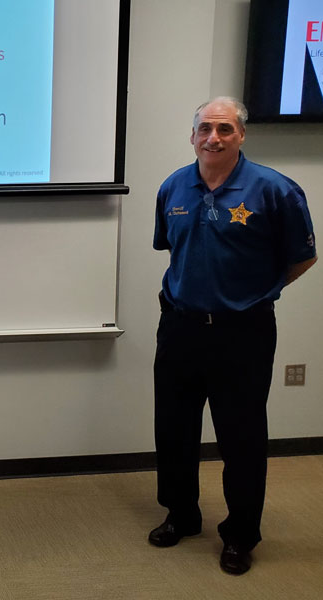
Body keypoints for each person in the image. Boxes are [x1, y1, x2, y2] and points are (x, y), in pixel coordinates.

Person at [150, 97, 316, 575]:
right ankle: (181, 515)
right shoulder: (173, 187)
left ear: (242, 135)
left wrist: (258, 293)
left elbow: (302, 256)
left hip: (243, 332)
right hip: (180, 326)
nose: (213, 138)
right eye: (205, 128)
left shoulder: (275, 190)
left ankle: (241, 534)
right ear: (193, 136)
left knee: (241, 437)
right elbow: (170, 248)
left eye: (224, 128)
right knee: (174, 429)